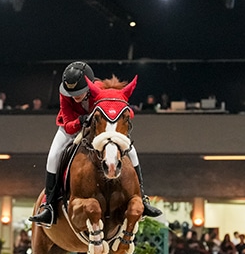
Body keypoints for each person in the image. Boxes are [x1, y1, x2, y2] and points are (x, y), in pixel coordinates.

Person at [29, 61, 162, 224]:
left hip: (98, 129)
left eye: (79, 91)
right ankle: (48, 205)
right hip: (71, 127)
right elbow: (69, 125)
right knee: (53, 156)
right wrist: (81, 120)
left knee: (132, 151)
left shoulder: (100, 90)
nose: (75, 96)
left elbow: (119, 110)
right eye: (72, 92)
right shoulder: (65, 93)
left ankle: (143, 198)